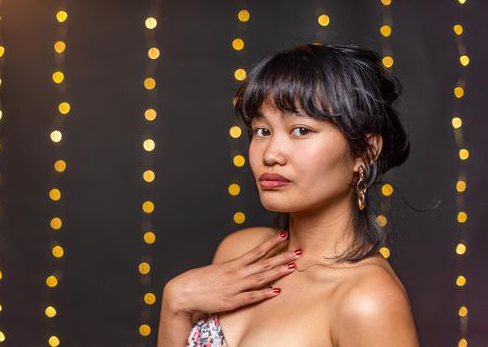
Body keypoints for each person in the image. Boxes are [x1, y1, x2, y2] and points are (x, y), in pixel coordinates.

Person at [158, 43, 420, 346]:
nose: (270, 154)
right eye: (262, 131)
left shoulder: (368, 299)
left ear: (365, 151)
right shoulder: (238, 252)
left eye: (301, 130)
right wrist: (175, 302)